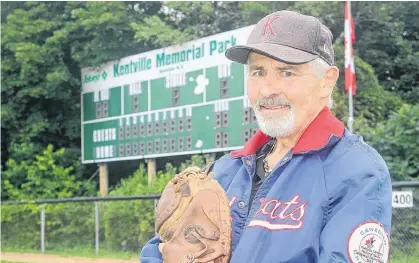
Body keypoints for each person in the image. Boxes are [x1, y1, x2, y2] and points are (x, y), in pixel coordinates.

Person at [140, 10, 392, 263]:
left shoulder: (357, 172)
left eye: (286, 72)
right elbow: (156, 252)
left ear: (326, 81)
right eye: (258, 72)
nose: (268, 89)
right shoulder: (223, 172)